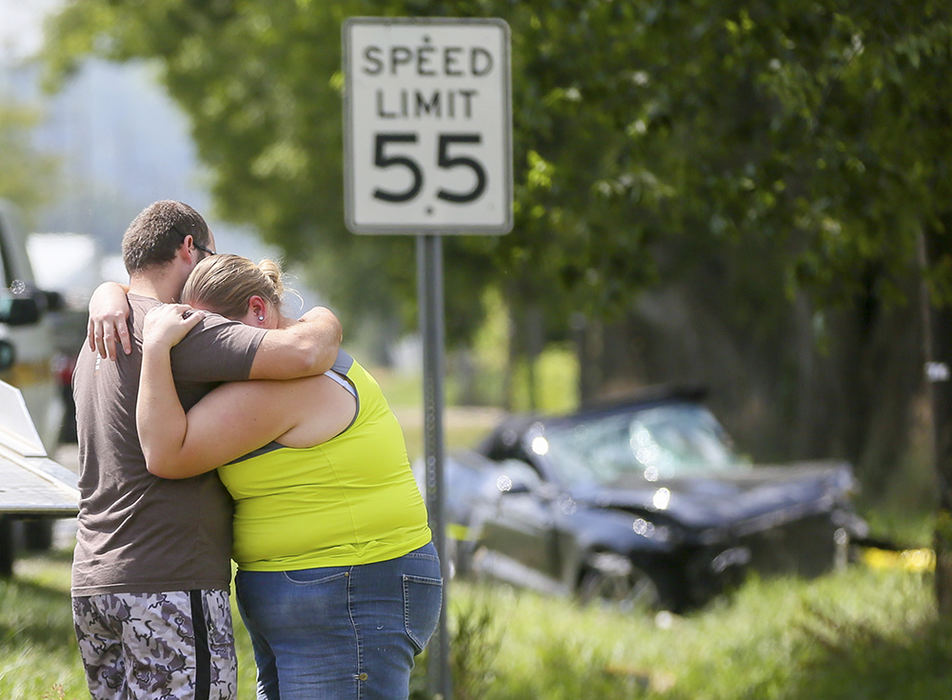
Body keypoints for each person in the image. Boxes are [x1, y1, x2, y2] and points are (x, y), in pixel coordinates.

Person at [135, 254, 442, 700]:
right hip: (326, 592)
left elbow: (166, 453)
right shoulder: (291, 355)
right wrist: (106, 296)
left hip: (347, 586)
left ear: (258, 311)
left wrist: (157, 347)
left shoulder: (290, 381)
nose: (206, 350)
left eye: (216, 334)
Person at [71, 201, 342, 700]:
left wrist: (107, 292)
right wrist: (324, 315)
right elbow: (307, 353)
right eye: (210, 255)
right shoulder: (182, 331)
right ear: (188, 248)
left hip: (93, 584)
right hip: (168, 583)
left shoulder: (96, 337)